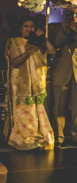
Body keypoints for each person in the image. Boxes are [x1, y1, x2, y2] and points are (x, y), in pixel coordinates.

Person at [4, 15, 55, 150]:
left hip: (37, 86)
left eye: (31, 26)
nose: (28, 29)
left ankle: (38, 137)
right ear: (20, 28)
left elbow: (52, 51)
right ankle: (25, 139)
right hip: (21, 85)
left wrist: (43, 37)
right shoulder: (14, 42)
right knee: (24, 114)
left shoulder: (39, 42)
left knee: (38, 113)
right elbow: (14, 62)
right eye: (25, 26)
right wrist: (26, 54)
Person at [51, 12, 77, 147]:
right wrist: (64, 30)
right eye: (70, 16)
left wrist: (76, 32)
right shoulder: (60, 29)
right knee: (59, 106)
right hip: (62, 71)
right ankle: (58, 136)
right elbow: (56, 44)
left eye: (76, 15)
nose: (73, 19)